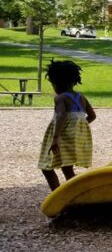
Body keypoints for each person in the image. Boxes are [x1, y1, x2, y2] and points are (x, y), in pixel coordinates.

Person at [38, 60, 96, 191]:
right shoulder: (82, 97)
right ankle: (76, 195)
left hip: (61, 138)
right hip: (75, 139)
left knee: (46, 167)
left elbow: (61, 116)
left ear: (57, 82)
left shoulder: (60, 98)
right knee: (67, 168)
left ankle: (57, 196)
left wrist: (55, 138)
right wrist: (79, 127)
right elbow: (92, 116)